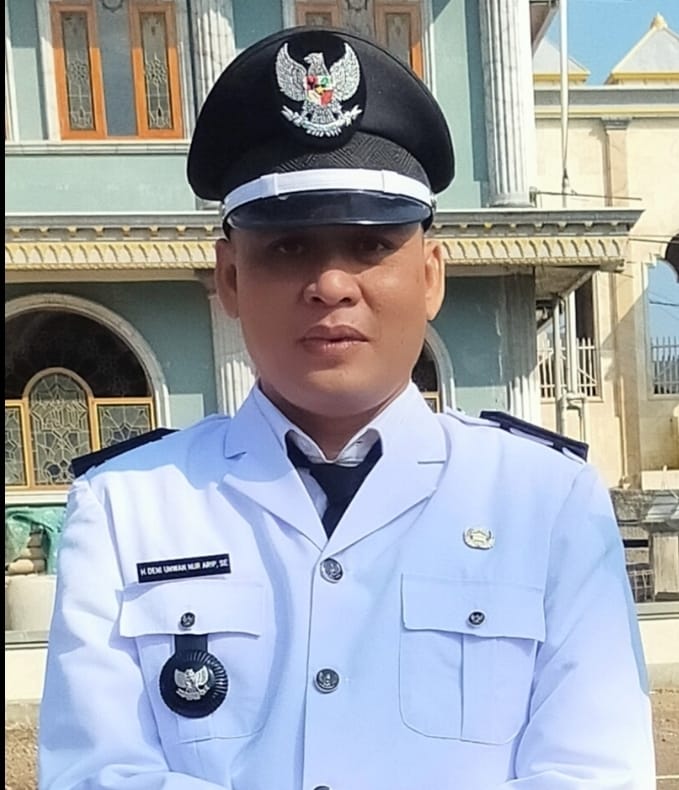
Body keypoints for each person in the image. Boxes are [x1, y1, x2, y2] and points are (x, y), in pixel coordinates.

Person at [38, 25, 655, 790]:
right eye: (287, 247)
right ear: (228, 279)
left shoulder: (546, 500)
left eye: (369, 246)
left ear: (430, 275)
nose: (330, 285)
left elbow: (591, 772)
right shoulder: (130, 506)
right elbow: (95, 772)